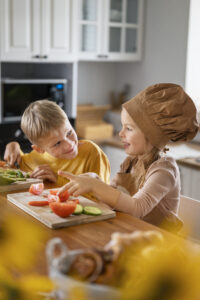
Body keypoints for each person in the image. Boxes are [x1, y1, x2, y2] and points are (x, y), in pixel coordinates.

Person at [58, 83, 199, 230]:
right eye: (122, 126)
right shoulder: (130, 162)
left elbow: (137, 208)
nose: (121, 133)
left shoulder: (164, 170)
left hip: (159, 244)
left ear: (152, 136)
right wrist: (95, 181)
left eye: (129, 128)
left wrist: (96, 187)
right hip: (131, 232)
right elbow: (114, 195)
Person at [4, 100, 110, 186]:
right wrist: (13, 145)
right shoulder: (36, 158)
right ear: (39, 149)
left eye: (69, 133)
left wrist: (57, 179)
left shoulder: (92, 153)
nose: (69, 144)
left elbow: (104, 196)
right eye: (57, 143)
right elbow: (14, 166)